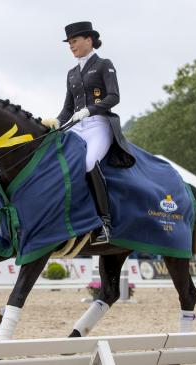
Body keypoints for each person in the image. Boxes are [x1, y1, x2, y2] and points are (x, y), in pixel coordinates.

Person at [41, 21, 135, 243]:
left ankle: (105, 222)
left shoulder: (104, 64)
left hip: (99, 124)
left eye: (74, 41)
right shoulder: (72, 73)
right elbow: (67, 108)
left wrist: (90, 110)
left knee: (89, 162)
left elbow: (114, 96)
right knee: (60, 165)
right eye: (69, 43)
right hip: (77, 126)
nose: (71, 46)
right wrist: (57, 121)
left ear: (88, 40)